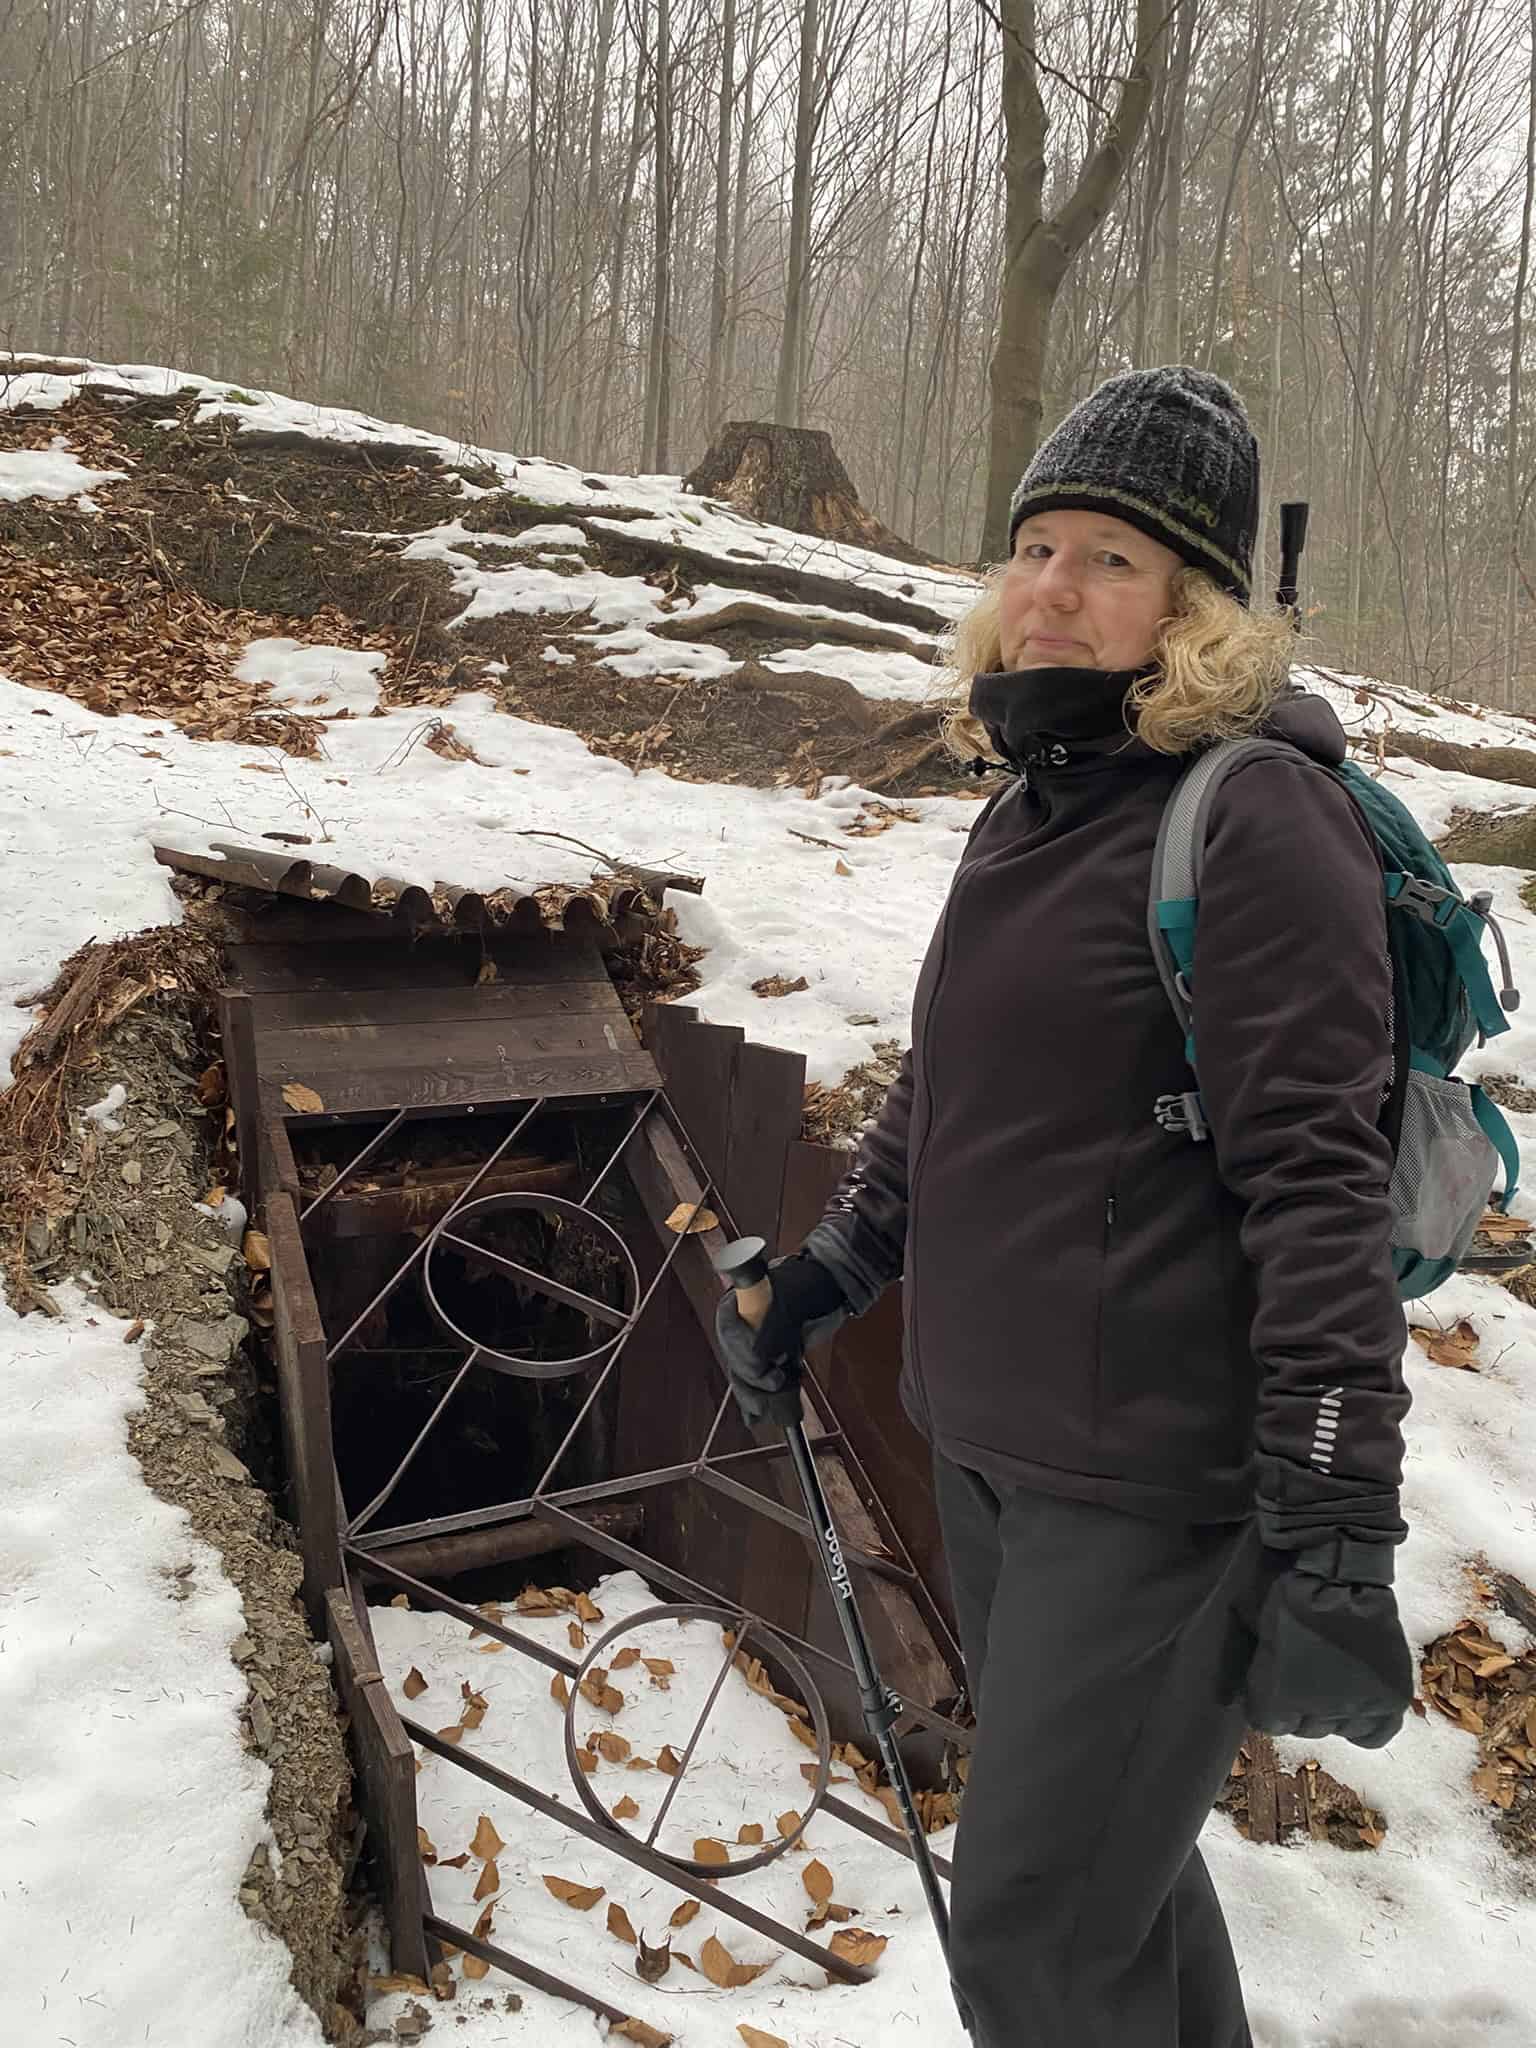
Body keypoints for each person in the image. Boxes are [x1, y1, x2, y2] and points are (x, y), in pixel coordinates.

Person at [715, 367, 1415, 2048]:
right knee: (1119, 1891)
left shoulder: (1254, 817)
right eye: (1036, 546)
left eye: (1111, 558)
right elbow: (947, 1095)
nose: (1051, 586)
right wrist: (830, 1276)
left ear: (1196, 610)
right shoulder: (1031, 806)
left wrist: (1336, 1524)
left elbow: (1318, 1186)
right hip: (996, 1457)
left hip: (1152, 1496)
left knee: (1034, 1944)